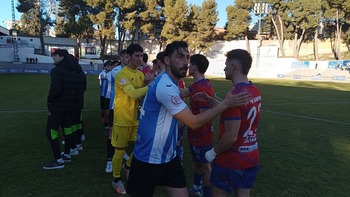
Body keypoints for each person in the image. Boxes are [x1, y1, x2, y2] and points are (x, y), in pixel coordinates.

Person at [126, 41, 251, 197]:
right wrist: (226, 103)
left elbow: (181, 93)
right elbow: (193, 122)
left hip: (169, 157)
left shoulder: (167, 81)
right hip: (148, 158)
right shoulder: (165, 86)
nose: (185, 62)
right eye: (180, 57)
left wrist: (201, 96)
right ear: (167, 60)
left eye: (187, 57)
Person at [205, 49, 262, 197]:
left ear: (233, 66)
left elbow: (230, 137)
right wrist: (212, 101)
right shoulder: (254, 90)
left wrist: (212, 153)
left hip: (231, 160)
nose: (224, 68)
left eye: (226, 65)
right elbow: (237, 113)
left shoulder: (234, 95)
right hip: (251, 155)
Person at [111, 44, 153, 194]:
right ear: (128, 57)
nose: (139, 59)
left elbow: (142, 94)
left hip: (136, 118)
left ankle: (128, 166)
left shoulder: (140, 74)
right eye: (136, 56)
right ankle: (116, 179)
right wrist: (152, 85)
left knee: (140, 147)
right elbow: (134, 94)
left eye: (141, 56)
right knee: (120, 150)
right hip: (122, 118)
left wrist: (147, 81)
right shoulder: (121, 75)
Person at [180, 54, 214, 197]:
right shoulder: (196, 85)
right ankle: (196, 187)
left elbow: (204, 116)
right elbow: (182, 92)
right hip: (194, 132)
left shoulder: (203, 87)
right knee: (196, 162)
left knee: (205, 167)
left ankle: (207, 193)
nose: (188, 66)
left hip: (203, 134)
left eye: (189, 64)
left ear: (194, 67)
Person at [43, 49, 78, 170]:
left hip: (58, 107)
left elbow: (55, 89)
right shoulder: (72, 72)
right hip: (69, 107)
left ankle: (58, 160)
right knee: (67, 129)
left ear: (62, 57)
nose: (53, 57)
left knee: (51, 131)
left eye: (55, 55)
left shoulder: (57, 71)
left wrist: (50, 100)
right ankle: (67, 154)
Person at [105, 50, 129, 173]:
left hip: (127, 108)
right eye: (126, 56)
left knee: (125, 132)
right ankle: (109, 160)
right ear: (121, 58)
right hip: (115, 107)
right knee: (111, 133)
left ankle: (122, 150)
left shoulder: (133, 71)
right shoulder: (115, 71)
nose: (128, 59)